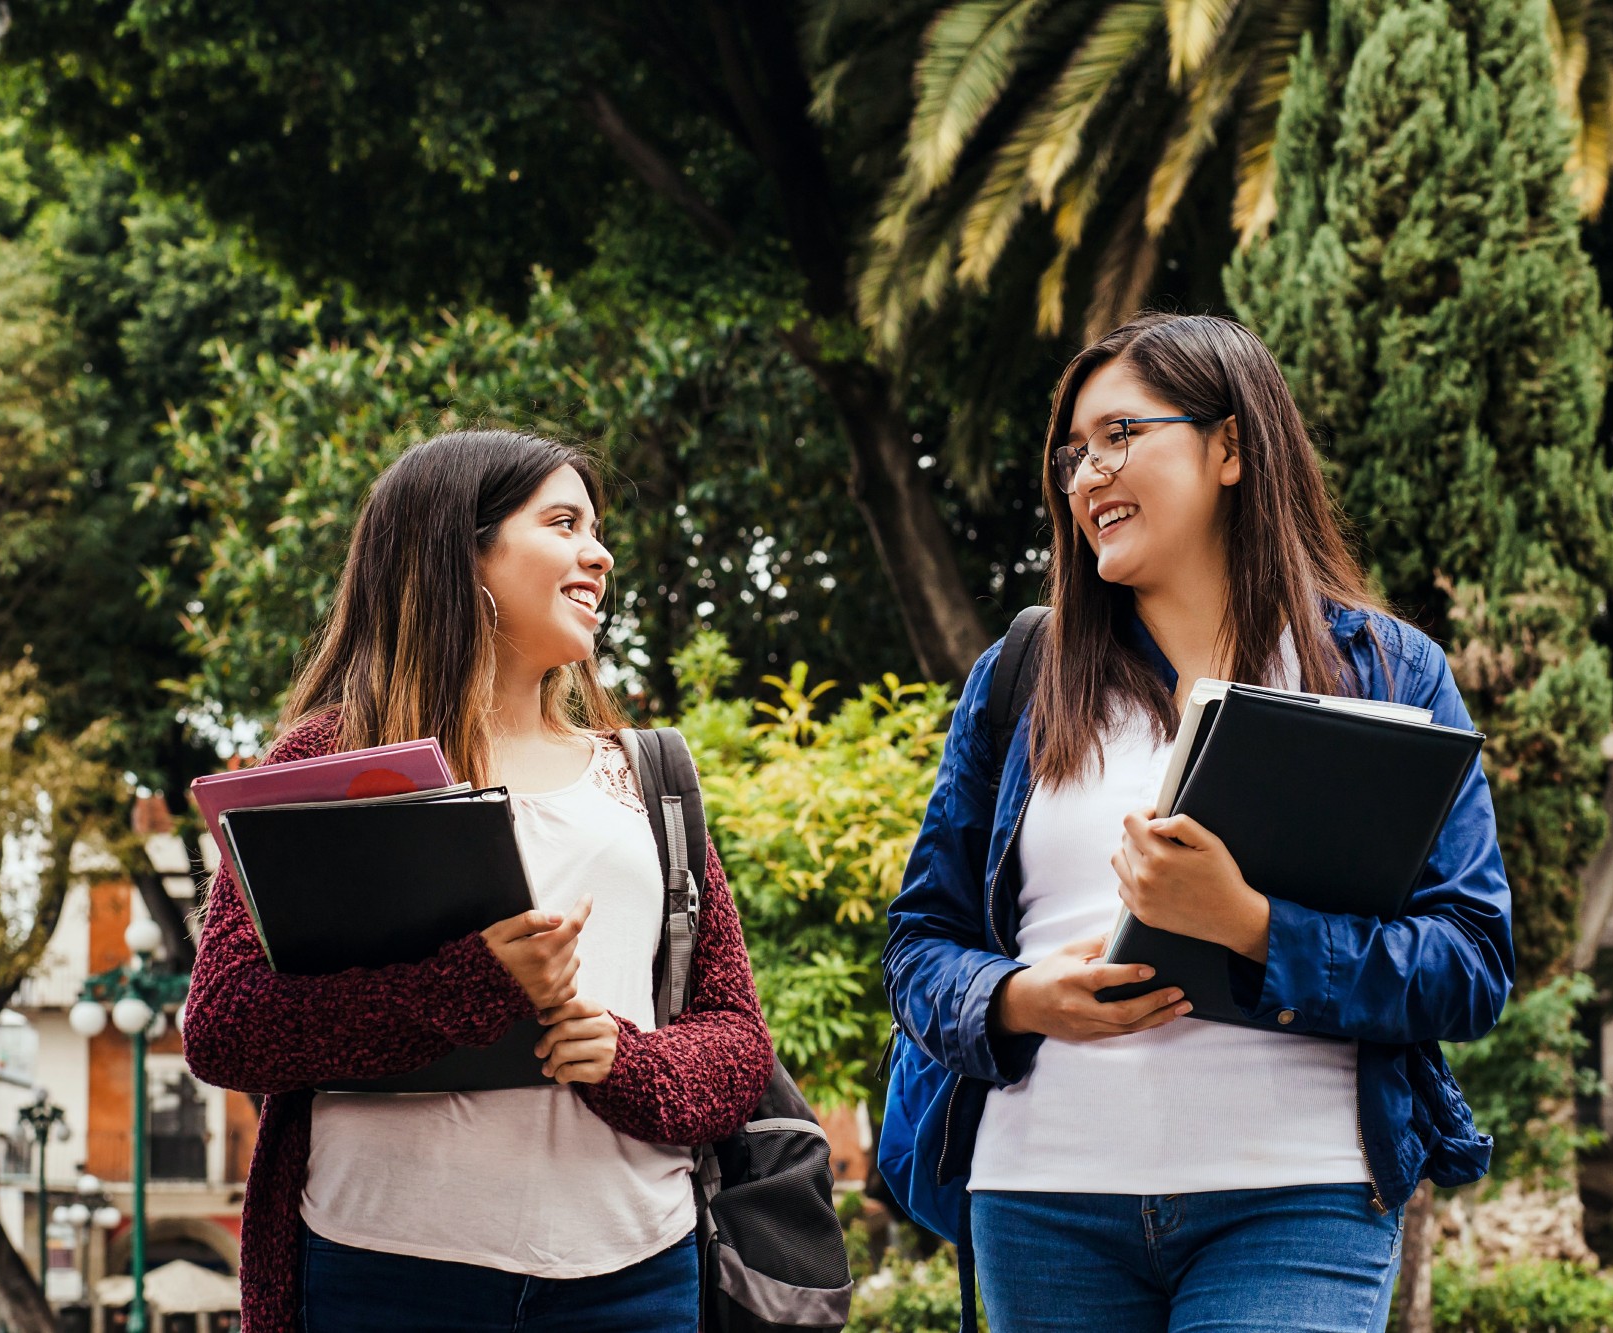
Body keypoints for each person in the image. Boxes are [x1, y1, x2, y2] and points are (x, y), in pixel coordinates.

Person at [882, 313, 1512, 1331]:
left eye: (1120, 434)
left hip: (1299, 1193)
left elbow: (1471, 962)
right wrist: (1021, 998)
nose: (1086, 474)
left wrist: (1250, 925)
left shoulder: (1384, 673)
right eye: (1072, 452)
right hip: (1042, 1199)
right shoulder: (1021, 678)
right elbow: (918, 945)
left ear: (1229, 446)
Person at [181, 429, 773, 1333]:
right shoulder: (331, 762)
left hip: (634, 1278)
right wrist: (475, 985)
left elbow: (736, 1041)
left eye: (597, 527)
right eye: (564, 522)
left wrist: (626, 1061)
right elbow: (227, 1027)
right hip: (382, 1272)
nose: (600, 553)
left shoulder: (645, 775)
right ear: (463, 553)